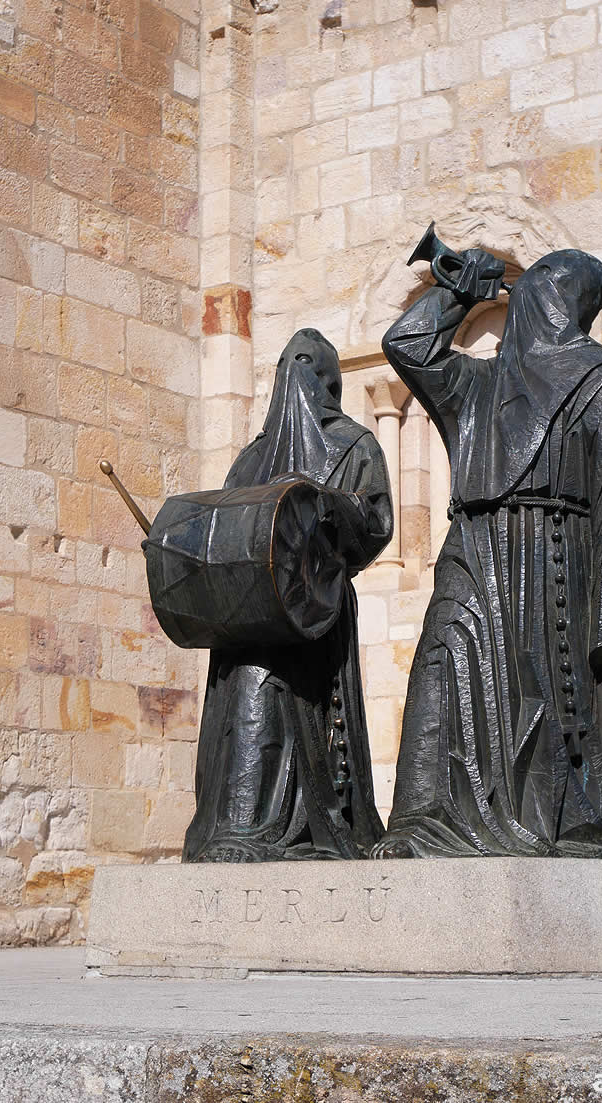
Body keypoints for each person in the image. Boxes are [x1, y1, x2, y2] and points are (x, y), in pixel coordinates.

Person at [373, 249, 602, 861]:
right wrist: (459, 292)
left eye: (547, 278)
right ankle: (428, 823)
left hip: (557, 559)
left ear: (565, 295)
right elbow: (406, 344)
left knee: (546, 698)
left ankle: (549, 820)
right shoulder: (478, 383)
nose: (529, 289)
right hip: (473, 547)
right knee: (443, 670)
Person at [182, 329, 392, 863]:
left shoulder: (353, 443)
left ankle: (266, 830)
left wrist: (323, 510)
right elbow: (224, 526)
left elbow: (377, 524)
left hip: (311, 611)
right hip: (247, 614)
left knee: (286, 700)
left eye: (308, 370)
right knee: (248, 699)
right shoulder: (253, 456)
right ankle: (236, 826)